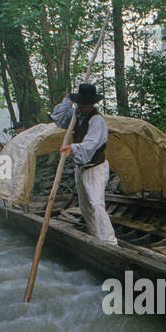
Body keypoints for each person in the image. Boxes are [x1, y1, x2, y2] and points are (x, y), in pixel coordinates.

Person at [51, 83, 117, 245]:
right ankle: (96, 236)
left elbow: (90, 145)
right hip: (81, 168)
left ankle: (110, 242)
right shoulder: (75, 115)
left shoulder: (97, 121)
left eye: (87, 104)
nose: (84, 107)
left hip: (96, 168)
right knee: (85, 205)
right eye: (82, 103)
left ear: (92, 104)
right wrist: (68, 100)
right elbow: (58, 118)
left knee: (96, 203)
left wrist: (72, 148)